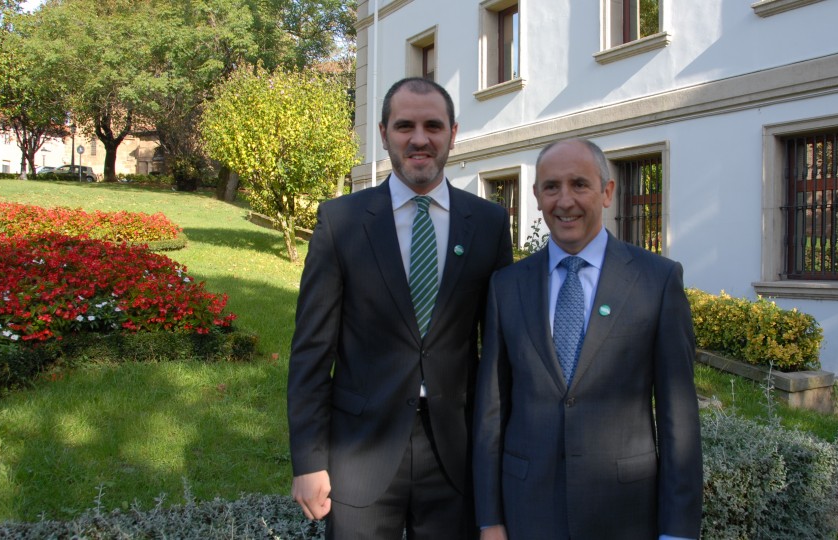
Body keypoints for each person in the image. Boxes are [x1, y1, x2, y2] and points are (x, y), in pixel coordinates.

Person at [288, 77, 514, 540]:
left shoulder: (489, 223)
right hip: (360, 452)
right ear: (384, 133)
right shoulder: (340, 221)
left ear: (453, 133)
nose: (419, 139)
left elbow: (499, 353)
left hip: (456, 455)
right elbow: (311, 351)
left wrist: (499, 458)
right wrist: (309, 459)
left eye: (433, 126)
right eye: (405, 126)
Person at [472, 138, 703, 540]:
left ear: (607, 192)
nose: (565, 201)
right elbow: (491, 411)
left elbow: (678, 415)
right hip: (527, 511)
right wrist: (489, 519)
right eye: (551, 187)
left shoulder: (657, 281)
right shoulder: (506, 287)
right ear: (536, 196)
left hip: (625, 515)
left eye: (579, 184)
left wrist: (678, 532)